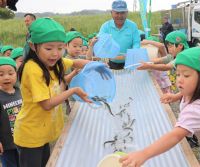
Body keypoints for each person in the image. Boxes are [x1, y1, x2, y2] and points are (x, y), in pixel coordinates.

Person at [120, 47, 200, 167]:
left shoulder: (198, 109)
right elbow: (184, 92)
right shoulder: (194, 92)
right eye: (178, 74)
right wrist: (175, 96)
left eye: (186, 75)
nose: (179, 80)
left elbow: (175, 136)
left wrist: (144, 154)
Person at [13, 18, 92, 167]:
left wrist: (96, 65)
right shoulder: (32, 68)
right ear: (33, 46)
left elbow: (75, 62)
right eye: (49, 48)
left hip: (43, 133)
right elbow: (47, 104)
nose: (55, 54)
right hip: (30, 135)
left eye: (60, 48)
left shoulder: (53, 62)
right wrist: (73, 90)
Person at [99, 0, 140, 69]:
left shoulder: (132, 26)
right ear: (111, 13)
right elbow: (101, 43)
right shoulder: (105, 26)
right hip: (110, 62)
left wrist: (131, 54)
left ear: (127, 13)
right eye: (117, 13)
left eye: (122, 13)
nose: (120, 16)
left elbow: (136, 43)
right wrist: (106, 56)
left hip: (129, 61)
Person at [0, 57, 22, 167]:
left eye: (10, 73)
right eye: (1, 74)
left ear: (16, 74)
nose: (6, 77)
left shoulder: (20, 91)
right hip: (6, 145)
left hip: (23, 141)